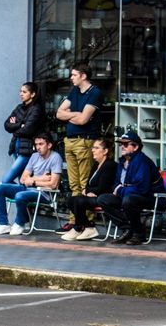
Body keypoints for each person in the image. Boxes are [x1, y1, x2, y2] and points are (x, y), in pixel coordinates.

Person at [55, 63, 103, 233]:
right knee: (73, 184)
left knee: (84, 184)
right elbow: (59, 113)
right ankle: (75, 220)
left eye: (74, 75)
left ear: (83, 76)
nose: (71, 78)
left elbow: (84, 120)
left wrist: (71, 116)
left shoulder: (94, 93)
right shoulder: (75, 91)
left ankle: (86, 222)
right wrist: (75, 114)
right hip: (70, 140)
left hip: (84, 141)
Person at [97, 131, 165, 245]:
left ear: (136, 147)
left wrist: (119, 190)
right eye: (121, 144)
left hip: (152, 198)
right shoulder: (122, 161)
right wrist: (119, 189)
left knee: (128, 200)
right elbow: (116, 183)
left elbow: (142, 188)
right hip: (130, 196)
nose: (122, 147)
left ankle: (139, 233)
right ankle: (127, 228)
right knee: (103, 199)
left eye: (125, 144)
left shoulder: (142, 161)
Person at [0, 132, 62, 236]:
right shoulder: (34, 156)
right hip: (28, 188)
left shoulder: (55, 157)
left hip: (44, 193)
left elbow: (53, 184)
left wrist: (32, 181)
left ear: (49, 145)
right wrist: (40, 179)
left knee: (20, 195)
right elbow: (23, 179)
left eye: (41, 144)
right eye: (36, 144)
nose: (38, 147)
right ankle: (3, 224)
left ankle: (19, 223)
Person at [61, 138, 117, 241]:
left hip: (103, 198)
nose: (93, 150)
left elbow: (104, 187)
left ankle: (79, 227)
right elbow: (87, 184)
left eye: (96, 148)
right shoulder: (96, 164)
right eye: (93, 147)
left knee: (79, 201)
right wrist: (87, 191)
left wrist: (88, 191)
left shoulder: (110, 165)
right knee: (71, 200)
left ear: (105, 151)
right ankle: (87, 226)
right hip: (93, 196)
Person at [2, 82, 44, 184]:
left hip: (27, 150)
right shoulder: (19, 108)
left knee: (6, 180)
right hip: (16, 147)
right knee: (22, 180)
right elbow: (6, 125)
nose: (21, 94)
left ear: (32, 94)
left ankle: (14, 192)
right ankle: (21, 193)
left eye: (24, 92)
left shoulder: (36, 109)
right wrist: (20, 125)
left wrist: (15, 128)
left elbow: (28, 129)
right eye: (20, 91)